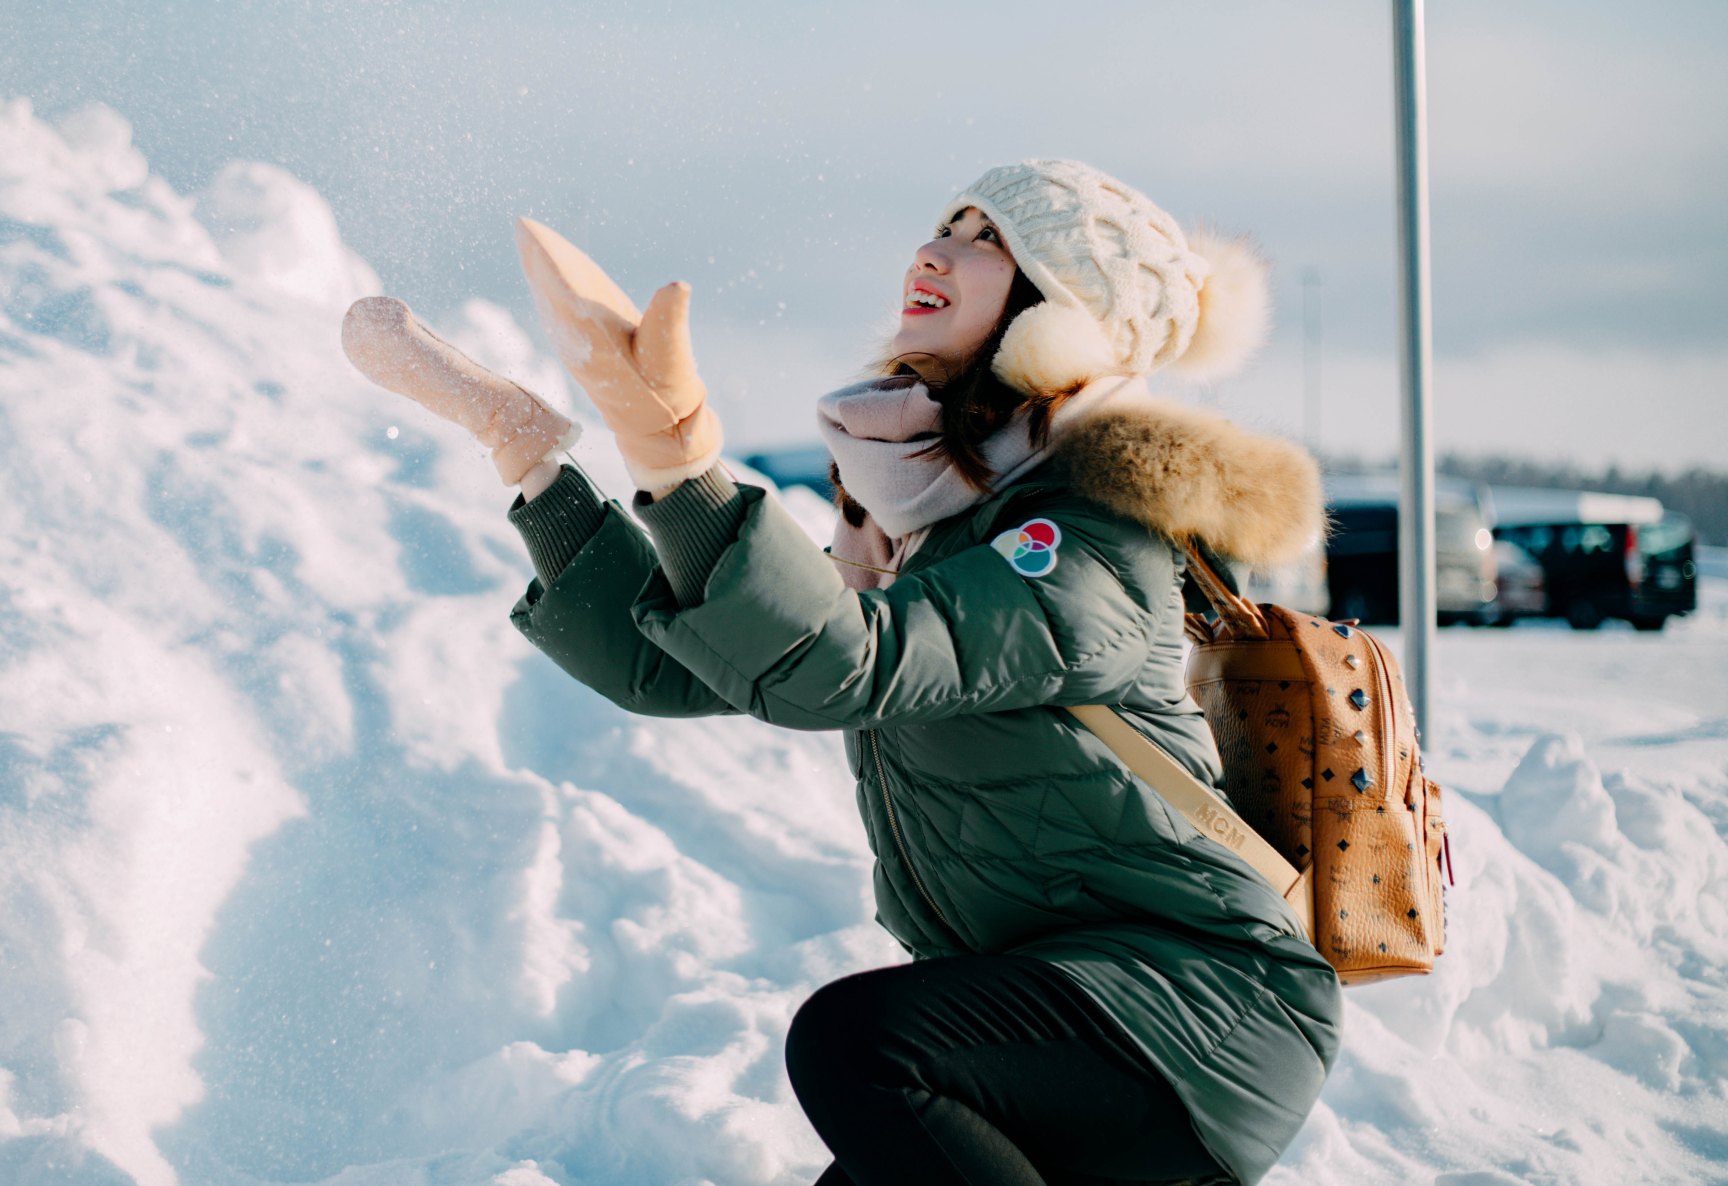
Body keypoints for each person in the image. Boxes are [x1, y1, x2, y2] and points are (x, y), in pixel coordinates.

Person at [342, 159, 1341, 1185]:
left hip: (1196, 1008)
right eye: (943, 224)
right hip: (1055, 1008)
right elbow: (684, 664)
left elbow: (837, 664)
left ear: (1061, 311)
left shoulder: (1086, 542)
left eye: (989, 238)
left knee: (859, 1045)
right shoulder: (935, 531)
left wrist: (676, 456)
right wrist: (534, 466)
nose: (934, 249)